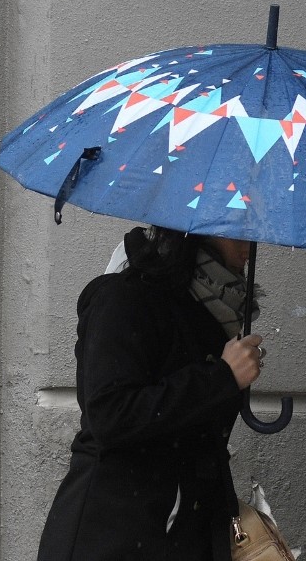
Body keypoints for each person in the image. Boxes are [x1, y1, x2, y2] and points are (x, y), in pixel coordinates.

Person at [36, 225, 266, 561]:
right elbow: (109, 415)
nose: (249, 243)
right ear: (199, 230)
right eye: (237, 229)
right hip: (114, 535)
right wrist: (220, 377)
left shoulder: (216, 312)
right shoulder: (125, 298)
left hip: (179, 532)